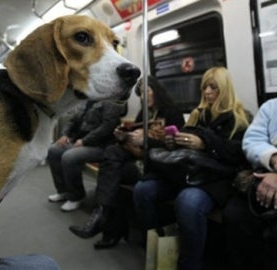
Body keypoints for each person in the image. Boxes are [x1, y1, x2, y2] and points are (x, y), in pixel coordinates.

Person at [133, 67, 250, 270]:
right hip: (187, 173)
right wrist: (173, 141)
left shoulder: (239, 117)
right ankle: (154, 243)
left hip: (215, 179)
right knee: (142, 191)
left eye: (213, 87)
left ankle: (190, 263)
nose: (207, 92)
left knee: (187, 202)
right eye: (204, 87)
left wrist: (204, 143)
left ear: (225, 88)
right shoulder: (197, 114)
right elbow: (183, 146)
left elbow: (238, 153)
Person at [68, 75, 185, 249]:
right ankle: (104, 218)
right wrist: (123, 137)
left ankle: (107, 224)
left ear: (157, 91)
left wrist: (145, 140)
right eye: (141, 95)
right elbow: (134, 137)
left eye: (147, 92)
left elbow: (173, 147)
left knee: (111, 174)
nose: (145, 97)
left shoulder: (172, 113)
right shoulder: (144, 113)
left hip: (158, 167)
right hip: (139, 160)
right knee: (112, 168)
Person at [222, 98, 277, 270]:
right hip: (266, 170)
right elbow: (252, 141)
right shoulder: (270, 107)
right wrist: (273, 158)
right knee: (234, 215)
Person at [47, 99, 126, 212]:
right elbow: (73, 121)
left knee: (70, 157)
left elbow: (107, 127)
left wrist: (85, 141)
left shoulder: (111, 102)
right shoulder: (86, 101)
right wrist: (65, 135)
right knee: (54, 150)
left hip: (101, 146)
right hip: (80, 142)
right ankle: (63, 191)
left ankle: (76, 196)